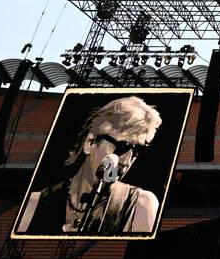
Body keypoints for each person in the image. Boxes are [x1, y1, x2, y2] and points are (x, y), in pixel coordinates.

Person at [16, 96, 163, 236]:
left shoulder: (142, 204)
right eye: (123, 147)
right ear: (90, 143)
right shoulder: (35, 203)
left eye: (137, 151)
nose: (126, 161)